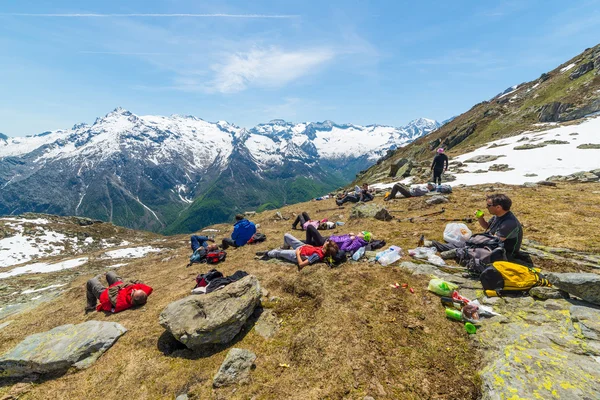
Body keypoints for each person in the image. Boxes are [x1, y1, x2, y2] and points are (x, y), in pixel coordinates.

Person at [421, 194, 523, 259]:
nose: (486, 207)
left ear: (498, 207)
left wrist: (477, 242)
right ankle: (432, 244)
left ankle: (457, 252)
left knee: (473, 248)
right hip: (492, 244)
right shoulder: (497, 216)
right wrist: (480, 218)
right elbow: (486, 226)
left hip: (505, 253)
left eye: (488, 206)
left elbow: (495, 242)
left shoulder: (509, 223)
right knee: (467, 243)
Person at [257, 233, 339, 270]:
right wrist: (309, 246)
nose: (325, 242)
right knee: (286, 235)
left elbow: (301, 265)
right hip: (302, 247)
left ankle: (267, 253)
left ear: (326, 248)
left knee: (279, 253)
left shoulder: (317, 256)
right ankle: (285, 247)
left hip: (296, 255)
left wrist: (297, 254)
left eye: (327, 243)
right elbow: (315, 249)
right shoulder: (322, 249)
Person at [85, 271, 153, 313]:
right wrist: (128, 284)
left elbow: (111, 291)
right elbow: (140, 283)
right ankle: (107, 274)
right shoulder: (142, 294)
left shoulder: (120, 302)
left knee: (91, 282)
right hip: (120, 286)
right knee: (110, 274)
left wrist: (125, 284)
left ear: (132, 299)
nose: (134, 289)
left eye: (134, 292)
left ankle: (91, 306)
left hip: (105, 295)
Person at [304, 225, 371, 254]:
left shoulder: (358, 243)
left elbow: (344, 249)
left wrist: (350, 239)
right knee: (303, 241)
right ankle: (306, 244)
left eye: (361, 233)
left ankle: (307, 246)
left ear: (363, 236)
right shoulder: (356, 239)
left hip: (327, 243)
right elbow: (342, 239)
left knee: (310, 227)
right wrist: (348, 235)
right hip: (329, 239)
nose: (359, 232)